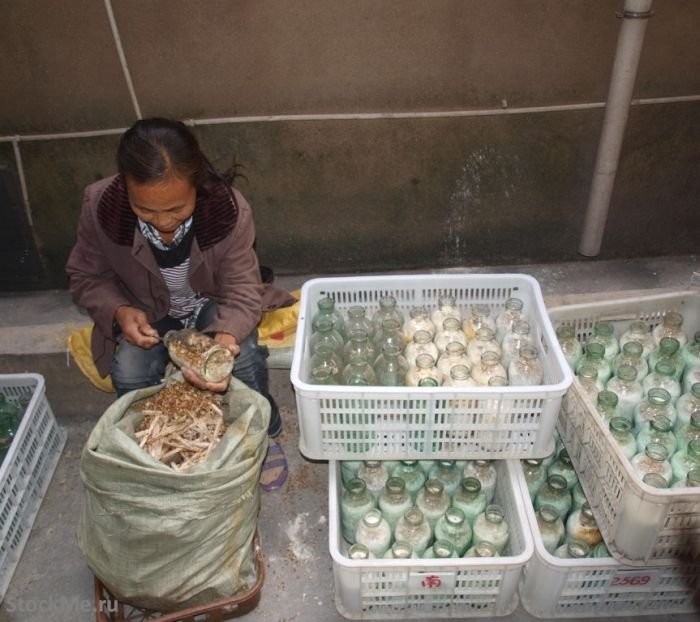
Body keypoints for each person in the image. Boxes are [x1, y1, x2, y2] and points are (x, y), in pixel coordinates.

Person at [66, 117, 291, 488]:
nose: (164, 223)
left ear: (197, 184)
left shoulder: (227, 209)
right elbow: (85, 276)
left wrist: (225, 341)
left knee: (245, 358)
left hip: (210, 302)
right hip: (148, 310)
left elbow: (241, 289)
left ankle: (265, 433)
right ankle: (152, 450)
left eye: (175, 208)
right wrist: (120, 311)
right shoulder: (100, 207)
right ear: (124, 187)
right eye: (146, 211)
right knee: (129, 371)